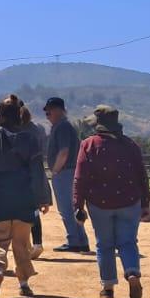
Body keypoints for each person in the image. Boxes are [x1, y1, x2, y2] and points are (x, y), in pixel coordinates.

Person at [73, 105, 150, 298]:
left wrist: (78, 205)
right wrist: (145, 203)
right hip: (129, 201)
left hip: (99, 204)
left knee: (104, 244)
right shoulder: (131, 145)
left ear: (98, 124)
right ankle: (132, 273)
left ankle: (107, 287)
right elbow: (142, 175)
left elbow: (80, 178)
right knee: (128, 241)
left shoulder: (88, 145)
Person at [0, 96, 48, 298]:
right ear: (19, 115)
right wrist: (42, 197)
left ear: (0, 115)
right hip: (23, 197)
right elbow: (37, 171)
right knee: (22, 242)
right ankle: (24, 283)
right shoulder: (30, 139)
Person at [44, 97, 91, 253]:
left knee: (66, 209)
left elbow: (64, 152)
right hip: (69, 171)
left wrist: (55, 170)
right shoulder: (63, 126)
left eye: (49, 111)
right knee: (73, 208)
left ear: (58, 110)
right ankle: (81, 240)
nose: (47, 115)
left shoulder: (62, 127)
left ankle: (74, 241)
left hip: (65, 172)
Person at [18, 100, 52, 259]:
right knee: (33, 211)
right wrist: (45, 197)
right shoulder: (37, 129)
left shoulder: (15, 131)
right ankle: (37, 242)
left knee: (16, 214)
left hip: (18, 175)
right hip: (35, 173)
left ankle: (23, 245)